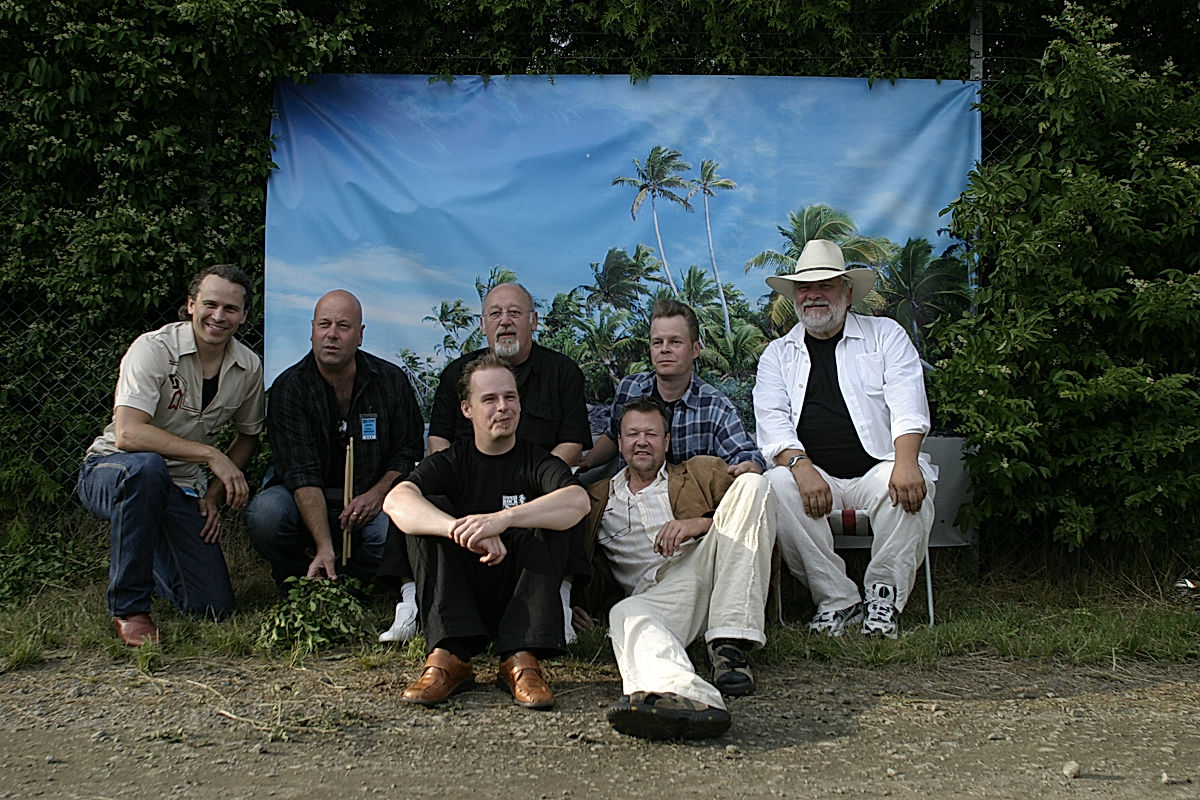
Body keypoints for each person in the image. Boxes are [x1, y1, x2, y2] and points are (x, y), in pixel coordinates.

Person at [386, 281, 591, 642]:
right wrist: (459, 519)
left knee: (561, 502)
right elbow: (437, 441)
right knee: (423, 495)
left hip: (534, 485)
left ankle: (556, 601)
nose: (505, 321)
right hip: (466, 486)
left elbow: (572, 443)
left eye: (515, 313)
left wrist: (523, 496)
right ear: (483, 324)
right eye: (496, 313)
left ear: (534, 320)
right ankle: (411, 603)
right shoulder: (457, 374)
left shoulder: (562, 371)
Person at [382, 353, 590, 709]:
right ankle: (450, 657)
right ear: (467, 409)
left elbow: (578, 502)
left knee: (553, 510)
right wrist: (458, 529)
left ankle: (520, 660)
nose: (503, 407)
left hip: (520, 598)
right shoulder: (452, 460)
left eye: (510, 397)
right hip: (459, 596)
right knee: (426, 509)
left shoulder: (538, 462)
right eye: (490, 399)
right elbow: (396, 500)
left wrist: (503, 519)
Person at [753, 239, 937, 639]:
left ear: (848, 292)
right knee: (774, 485)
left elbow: (909, 404)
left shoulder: (885, 335)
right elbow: (773, 425)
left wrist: (906, 463)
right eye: (805, 288)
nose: (814, 295)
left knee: (912, 481)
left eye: (827, 285)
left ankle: (883, 599)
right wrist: (802, 469)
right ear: (794, 296)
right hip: (814, 475)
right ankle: (837, 599)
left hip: (878, 468)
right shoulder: (776, 355)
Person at [77, 265, 265, 647]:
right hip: (113, 470)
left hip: (180, 486)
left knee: (213, 605)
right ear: (190, 304)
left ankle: (146, 548)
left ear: (244, 316)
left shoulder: (248, 367)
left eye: (230, 309)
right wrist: (211, 454)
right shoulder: (153, 349)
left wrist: (211, 497)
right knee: (146, 470)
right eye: (210, 304)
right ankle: (129, 607)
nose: (218, 316)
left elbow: (248, 437)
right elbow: (129, 432)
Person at [589, 398, 776, 740]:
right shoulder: (597, 498)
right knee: (626, 613)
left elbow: (750, 515)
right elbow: (575, 556)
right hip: (661, 598)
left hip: (714, 568)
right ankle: (689, 697)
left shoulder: (700, 472)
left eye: (651, 434)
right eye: (632, 434)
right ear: (619, 442)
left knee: (754, 484)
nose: (641, 441)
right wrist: (574, 602)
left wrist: (699, 524)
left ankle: (731, 643)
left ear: (667, 442)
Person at [245, 290, 424, 621]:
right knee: (266, 514)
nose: (332, 334)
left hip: (371, 499)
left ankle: (353, 582)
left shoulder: (390, 380)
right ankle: (301, 582)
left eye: (343, 326)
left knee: (392, 533)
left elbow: (408, 450)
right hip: (306, 498)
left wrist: (376, 495)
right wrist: (325, 544)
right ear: (312, 329)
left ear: (360, 334)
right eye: (324, 324)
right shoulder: (290, 387)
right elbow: (300, 473)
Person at [579, 298, 766, 477]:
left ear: (695, 349)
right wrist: (586, 462)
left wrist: (748, 467)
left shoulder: (716, 407)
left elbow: (744, 453)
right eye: (658, 342)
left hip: (692, 504)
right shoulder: (630, 389)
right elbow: (613, 436)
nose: (664, 349)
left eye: (675, 342)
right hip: (630, 500)